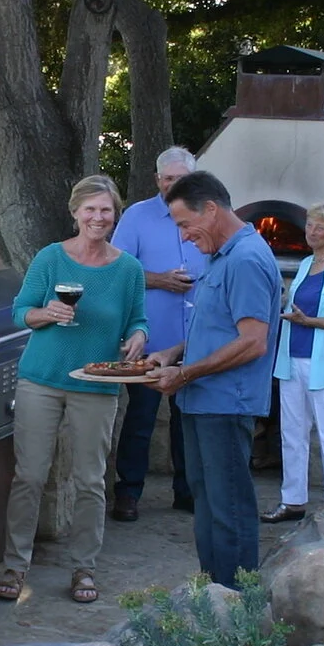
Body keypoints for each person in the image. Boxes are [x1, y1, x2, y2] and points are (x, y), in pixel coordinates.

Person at [0, 174, 148, 605]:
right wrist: (47, 313)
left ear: (116, 214)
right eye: (90, 209)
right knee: (29, 476)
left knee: (90, 480)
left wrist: (138, 337)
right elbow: (20, 312)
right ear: (75, 212)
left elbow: (138, 320)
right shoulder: (50, 258)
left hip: (96, 384)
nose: (98, 217)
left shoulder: (129, 270)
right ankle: (15, 566)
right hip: (41, 379)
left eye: (106, 210)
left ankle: (84, 568)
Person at [145, 170, 278, 589]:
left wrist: (184, 373)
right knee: (207, 502)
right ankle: (213, 596)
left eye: (186, 224)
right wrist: (174, 352)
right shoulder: (222, 256)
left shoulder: (247, 259)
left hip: (225, 404)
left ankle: (237, 603)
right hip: (202, 401)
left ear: (212, 210)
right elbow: (218, 329)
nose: (184, 236)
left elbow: (253, 342)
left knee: (229, 508)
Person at [108, 146, 198, 521]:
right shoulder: (137, 216)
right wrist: (160, 280)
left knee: (188, 420)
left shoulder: (204, 215)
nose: (173, 185)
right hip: (150, 339)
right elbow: (116, 271)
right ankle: (128, 493)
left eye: (181, 179)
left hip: (196, 341)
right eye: (167, 178)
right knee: (140, 420)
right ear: (157, 179)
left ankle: (187, 492)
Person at [265, 201, 324, 521]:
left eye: (320, 227)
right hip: (292, 360)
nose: (312, 232)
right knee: (292, 434)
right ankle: (293, 500)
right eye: (309, 225)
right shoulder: (306, 264)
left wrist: (311, 322)